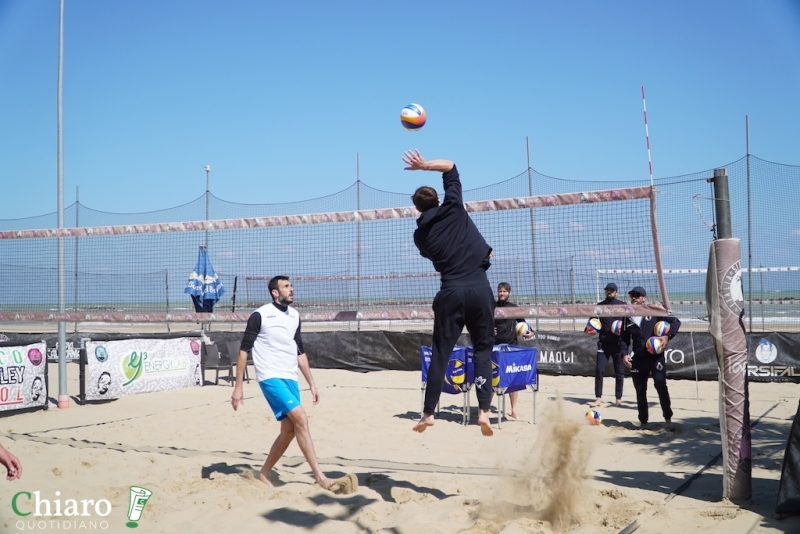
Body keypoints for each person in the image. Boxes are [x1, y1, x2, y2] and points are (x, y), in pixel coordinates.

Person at [404, 149, 496, 437]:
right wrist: (424, 166)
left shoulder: (420, 235)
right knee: (483, 351)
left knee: (441, 354)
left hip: (451, 290)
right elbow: (451, 166)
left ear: (418, 209)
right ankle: (484, 412)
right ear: (439, 199)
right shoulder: (454, 206)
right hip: (479, 287)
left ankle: (429, 412)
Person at [230, 275, 331, 490]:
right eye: (286, 287)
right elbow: (243, 351)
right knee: (301, 419)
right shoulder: (260, 315)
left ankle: (264, 474)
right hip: (270, 377)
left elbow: (300, 352)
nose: (291, 289)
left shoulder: (294, 316)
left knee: (289, 430)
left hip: (290, 377)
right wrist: (238, 387)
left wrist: (312, 383)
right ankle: (319, 477)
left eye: (291, 285)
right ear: (275, 293)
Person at [621, 286, 681, 429]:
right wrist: (624, 354)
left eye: (637, 295)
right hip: (638, 358)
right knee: (640, 390)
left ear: (644, 298)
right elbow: (624, 339)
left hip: (655, 357)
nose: (634, 297)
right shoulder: (628, 316)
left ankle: (667, 418)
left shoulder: (654, 310)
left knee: (660, 385)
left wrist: (668, 336)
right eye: (632, 295)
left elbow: (676, 322)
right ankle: (643, 422)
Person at [493, 282, 534, 418]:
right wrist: (488, 330)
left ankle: (514, 409)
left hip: (511, 346)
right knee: (493, 378)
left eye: (504, 291)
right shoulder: (492, 307)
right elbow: (484, 323)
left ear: (509, 293)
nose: (502, 293)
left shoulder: (514, 308)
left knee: (512, 380)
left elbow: (524, 324)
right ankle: (485, 408)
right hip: (496, 347)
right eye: (500, 291)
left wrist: (530, 332)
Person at [585, 282, 627, 407]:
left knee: (619, 371)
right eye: (607, 290)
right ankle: (598, 398)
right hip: (603, 343)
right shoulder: (599, 306)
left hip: (618, 344)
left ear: (616, 292)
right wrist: (589, 331)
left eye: (612, 290)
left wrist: (623, 330)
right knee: (599, 370)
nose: (609, 292)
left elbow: (629, 323)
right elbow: (591, 323)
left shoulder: (622, 305)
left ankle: (618, 398)